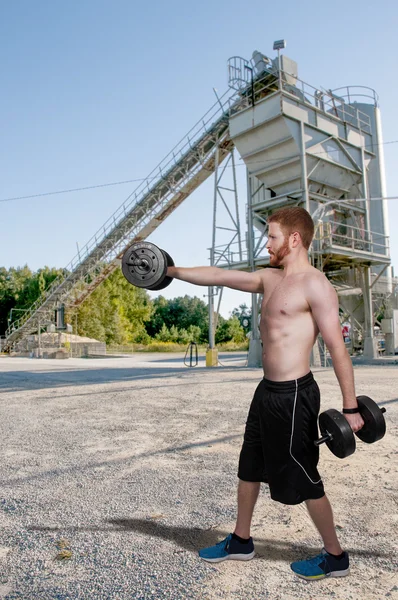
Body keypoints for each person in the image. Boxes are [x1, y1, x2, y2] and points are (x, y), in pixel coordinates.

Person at [166, 206, 364, 581]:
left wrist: (351, 406)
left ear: (293, 239)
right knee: (249, 466)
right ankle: (241, 540)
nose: (267, 243)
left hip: (294, 396)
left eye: (272, 236)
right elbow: (219, 276)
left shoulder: (316, 285)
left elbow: (337, 348)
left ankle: (335, 555)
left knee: (303, 475)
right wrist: (169, 271)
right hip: (266, 392)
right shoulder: (271, 280)